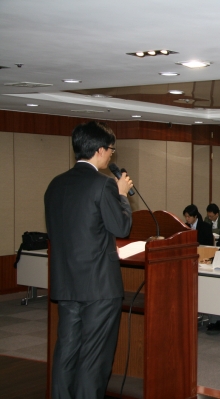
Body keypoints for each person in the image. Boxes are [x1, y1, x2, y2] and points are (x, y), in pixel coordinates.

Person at [44, 121, 133, 399]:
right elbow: (121, 228)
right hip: (99, 289)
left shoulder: (55, 185)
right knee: (94, 358)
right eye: (111, 150)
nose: (111, 156)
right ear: (99, 150)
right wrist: (121, 196)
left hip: (67, 285)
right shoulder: (104, 185)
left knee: (67, 351)